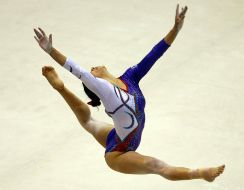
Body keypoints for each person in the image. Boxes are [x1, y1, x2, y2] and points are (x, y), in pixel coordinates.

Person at [34, 4, 225, 182]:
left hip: (117, 136)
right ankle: (201, 173)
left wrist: (175, 29)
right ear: (95, 82)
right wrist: (51, 50)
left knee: (88, 122)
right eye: (92, 71)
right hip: (119, 153)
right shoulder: (105, 90)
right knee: (156, 166)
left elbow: (155, 54)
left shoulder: (130, 77)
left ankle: (60, 88)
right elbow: (77, 70)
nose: (93, 67)